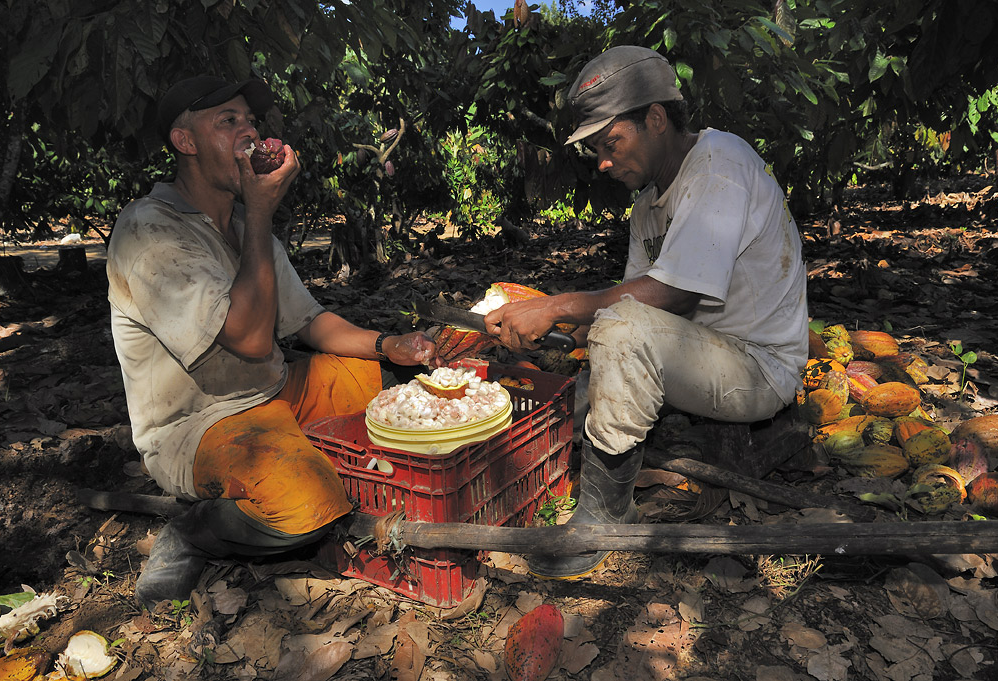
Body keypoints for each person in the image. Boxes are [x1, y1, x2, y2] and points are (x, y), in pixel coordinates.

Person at [107, 75, 439, 608]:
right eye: (228, 121)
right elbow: (252, 340)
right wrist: (262, 212)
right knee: (311, 507)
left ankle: (309, 448)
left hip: (280, 392)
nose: (249, 133)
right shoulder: (148, 230)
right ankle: (194, 530)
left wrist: (387, 345)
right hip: (205, 424)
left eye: (251, 122)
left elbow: (309, 323)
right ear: (185, 142)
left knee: (408, 388)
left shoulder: (241, 223)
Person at [484, 46, 809, 579]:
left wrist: (558, 306)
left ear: (655, 119)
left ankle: (607, 515)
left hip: (760, 367)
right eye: (597, 150)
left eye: (611, 142)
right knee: (612, 329)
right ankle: (600, 476)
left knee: (619, 328)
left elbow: (672, 297)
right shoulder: (646, 207)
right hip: (702, 353)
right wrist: (553, 326)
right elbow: (634, 301)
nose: (604, 162)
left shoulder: (719, 163)